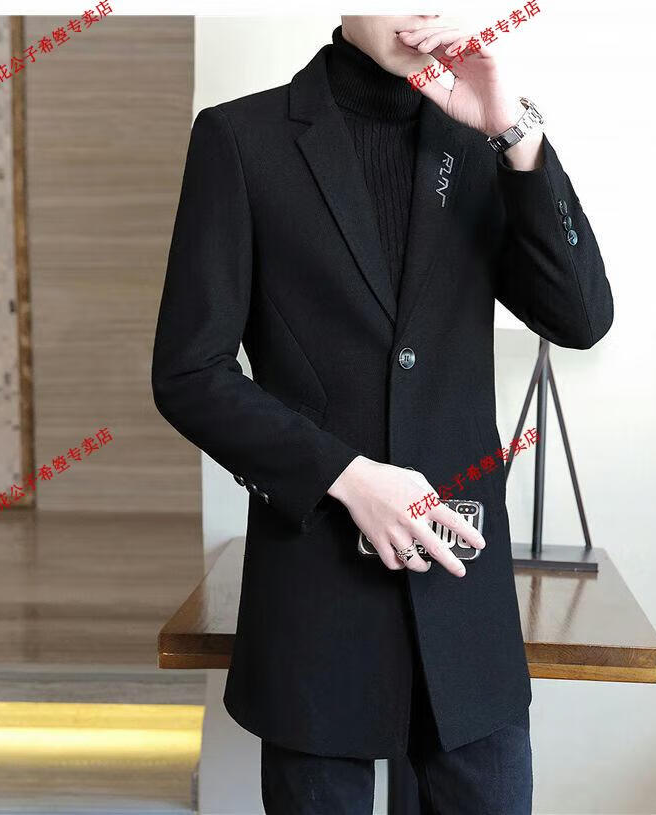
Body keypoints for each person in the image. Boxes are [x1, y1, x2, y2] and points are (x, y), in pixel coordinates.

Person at [151, 14, 613, 815]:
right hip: (315, 600)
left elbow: (581, 316)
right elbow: (189, 372)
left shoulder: (482, 139)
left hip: (464, 605)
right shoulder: (241, 139)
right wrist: (345, 474)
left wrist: (515, 131)